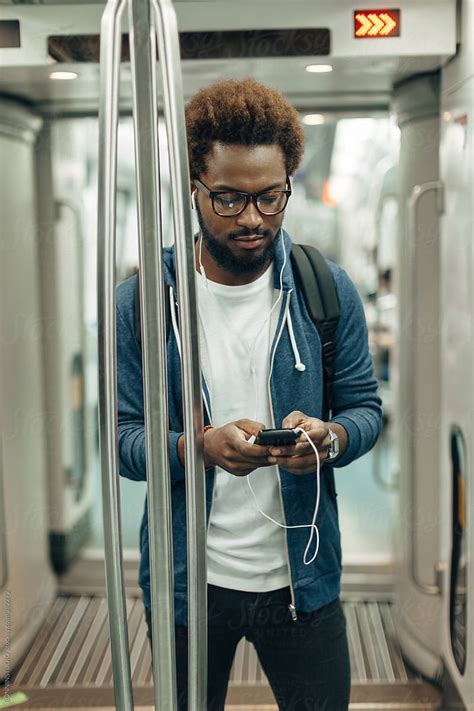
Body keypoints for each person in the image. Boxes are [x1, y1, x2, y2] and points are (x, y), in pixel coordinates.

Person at [116, 78, 382, 711]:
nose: (254, 218)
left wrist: (331, 438)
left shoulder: (325, 289)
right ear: (194, 190)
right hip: (189, 586)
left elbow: (365, 410)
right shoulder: (147, 302)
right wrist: (195, 447)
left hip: (302, 580)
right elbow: (122, 439)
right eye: (229, 200)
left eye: (271, 197)